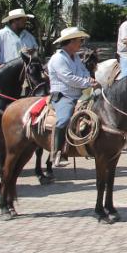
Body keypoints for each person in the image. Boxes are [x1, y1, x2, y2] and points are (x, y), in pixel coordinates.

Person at [46, 26, 97, 162]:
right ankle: (57, 152)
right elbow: (68, 78)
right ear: (70, 42)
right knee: (64, 119)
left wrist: (89, 78)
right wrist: (87, 83)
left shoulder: (75, 57)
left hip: (79, 94)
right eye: (79, 41)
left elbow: (84, 71)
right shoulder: (58, 58)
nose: (80, 43)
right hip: (64, 95)